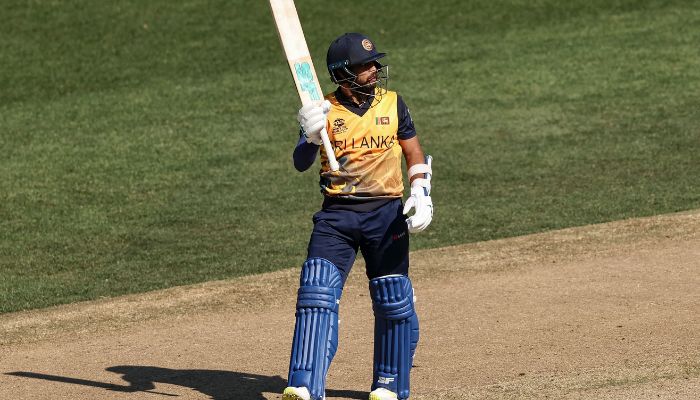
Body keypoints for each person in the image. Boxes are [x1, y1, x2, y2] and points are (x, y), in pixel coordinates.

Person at [282, 32, 433, 400]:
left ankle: (390, 384)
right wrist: (311, 135)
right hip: (337, 218)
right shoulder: (323, 111)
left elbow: (412, 152)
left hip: (385, 215)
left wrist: (421, 193)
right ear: (344, 74)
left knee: (392, 297)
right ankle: (304, 383)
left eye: (374, 63)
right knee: (316, 291)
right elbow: (301, 163)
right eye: (366, 65)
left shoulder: (393, 104)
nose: (375, 70)